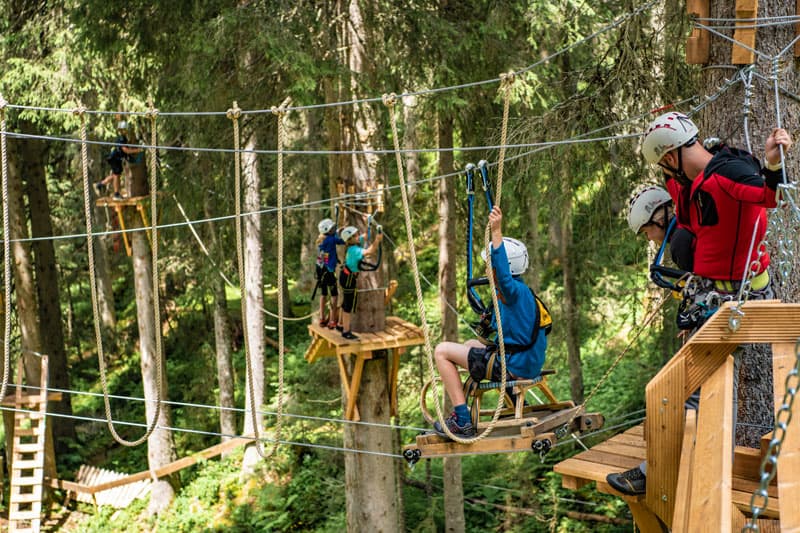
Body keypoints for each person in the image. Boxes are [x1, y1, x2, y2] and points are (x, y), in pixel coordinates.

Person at [606, 113, 794, 496]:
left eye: (662, 163)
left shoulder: (728, 173)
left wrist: (773, 163)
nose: (664, 172)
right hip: (715, 290)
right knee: (689, 382)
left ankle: (661, 469)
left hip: (735, 295)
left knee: (690, 386)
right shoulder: (687, 182)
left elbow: (767, 196)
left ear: (671, 155)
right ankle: (686, 462)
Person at [432, 206, 547, 439]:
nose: (487, 269)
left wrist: (496, 231)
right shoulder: (516, 295)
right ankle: (510, 397)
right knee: (470, 343)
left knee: (441, 351)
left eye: (490, 265)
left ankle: (462, 420)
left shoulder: (512, 291)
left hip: (514, 366)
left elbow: (502, 276)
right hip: (524, 362)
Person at [338, 224, 383, 341]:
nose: (358, 236)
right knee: (348, 305)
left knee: (345, 303)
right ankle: (346, 331)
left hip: (346, 276)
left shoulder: (353, 245)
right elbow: (370, 251)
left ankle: (341, 325)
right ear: (350, 239)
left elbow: (365, 236)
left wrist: (368, 223)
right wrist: (377, 240)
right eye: (355, 235)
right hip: (348, 279)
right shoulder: (354, 250)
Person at [94, 121, 143, 201]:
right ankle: (116, 194)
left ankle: (100, 184)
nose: (125, 131)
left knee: (114, 175)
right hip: (115, 159)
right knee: (117, 175)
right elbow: (125, 150)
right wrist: (137, 150)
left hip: (116, 158)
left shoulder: (123, 137)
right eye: (123, 129)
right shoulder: (121, 138)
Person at [315, 218, 345, 329]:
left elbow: (326, 255)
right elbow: (343, 241)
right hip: (328, 271)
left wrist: (337, 232)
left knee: (323, 294)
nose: (335, 228)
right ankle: (332, 320)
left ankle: (322, 318)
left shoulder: (322, 239)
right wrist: (344, 233)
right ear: (328, 230)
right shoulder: (331, 240)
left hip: (320, 269)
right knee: (334, 295)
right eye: (333, 228)